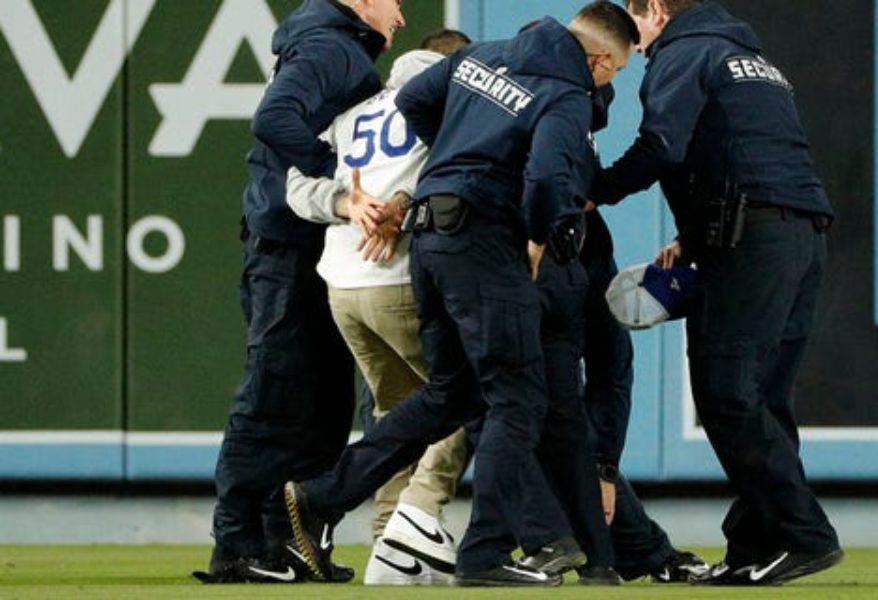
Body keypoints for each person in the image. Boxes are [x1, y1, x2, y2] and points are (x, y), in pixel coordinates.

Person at [282, 1, 639, 586]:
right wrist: (534, 236)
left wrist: (450, 161)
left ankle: (324, 495)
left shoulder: (484, 55)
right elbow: (550, 178)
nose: (608, 83)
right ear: (600, 59)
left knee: (449, 395)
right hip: (484, 245)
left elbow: (414, 100)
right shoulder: (566, 93)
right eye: (615, 72)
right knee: (520, 399)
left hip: (428, 239)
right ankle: (485, 554)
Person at [589, 0, 843, 586]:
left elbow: (660, 146)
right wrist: (694, 234)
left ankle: (804, 535)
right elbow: (749, 154)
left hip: (750, 241)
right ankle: (753, 545)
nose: (637, 41)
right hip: (801, 235)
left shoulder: (684, 51)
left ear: (656, 9)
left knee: (726, 391)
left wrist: (593, 191)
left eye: (637, 22)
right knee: (766, 397)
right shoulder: (753, 59)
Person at [194, 0, 404, 584]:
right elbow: (274, 118)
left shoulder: (334, 44)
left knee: (325, 405)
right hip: (287, 245)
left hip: (314, 247)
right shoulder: (328, 46)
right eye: (394, 2)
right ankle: (237, 544)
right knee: (274, 395)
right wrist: (334, 174)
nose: (401, 17)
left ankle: (286, 541)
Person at [285, 32, 473, 586]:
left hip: (343, 286)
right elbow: (456, 178)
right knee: (463, 400)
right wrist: (399, 208)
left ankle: (388, 544)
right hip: (401, 277)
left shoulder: (353, 112)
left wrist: (350, 205)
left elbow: (295, 187)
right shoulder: (444, 102)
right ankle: (413, 521)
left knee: (397, 415)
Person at [580, 84, 711, 584]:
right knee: (524, 413)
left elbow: (613, 371)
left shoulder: (570, 115)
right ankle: (520, 544)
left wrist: (604, 469)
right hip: (526, 273)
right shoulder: (551, 107)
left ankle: (621, 550)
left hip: (578, 262)